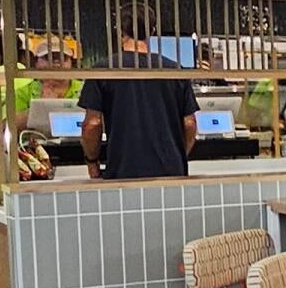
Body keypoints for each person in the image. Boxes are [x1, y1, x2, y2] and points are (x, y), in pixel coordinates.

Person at [78, 35, 198, 180]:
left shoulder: (103, 69)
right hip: (171, 174)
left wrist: (92, 162)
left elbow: (92, 124)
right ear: (151, 30)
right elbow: (190, 123)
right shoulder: (175, 70)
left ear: (120, 33)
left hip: (123, 172)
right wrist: (177, 156)